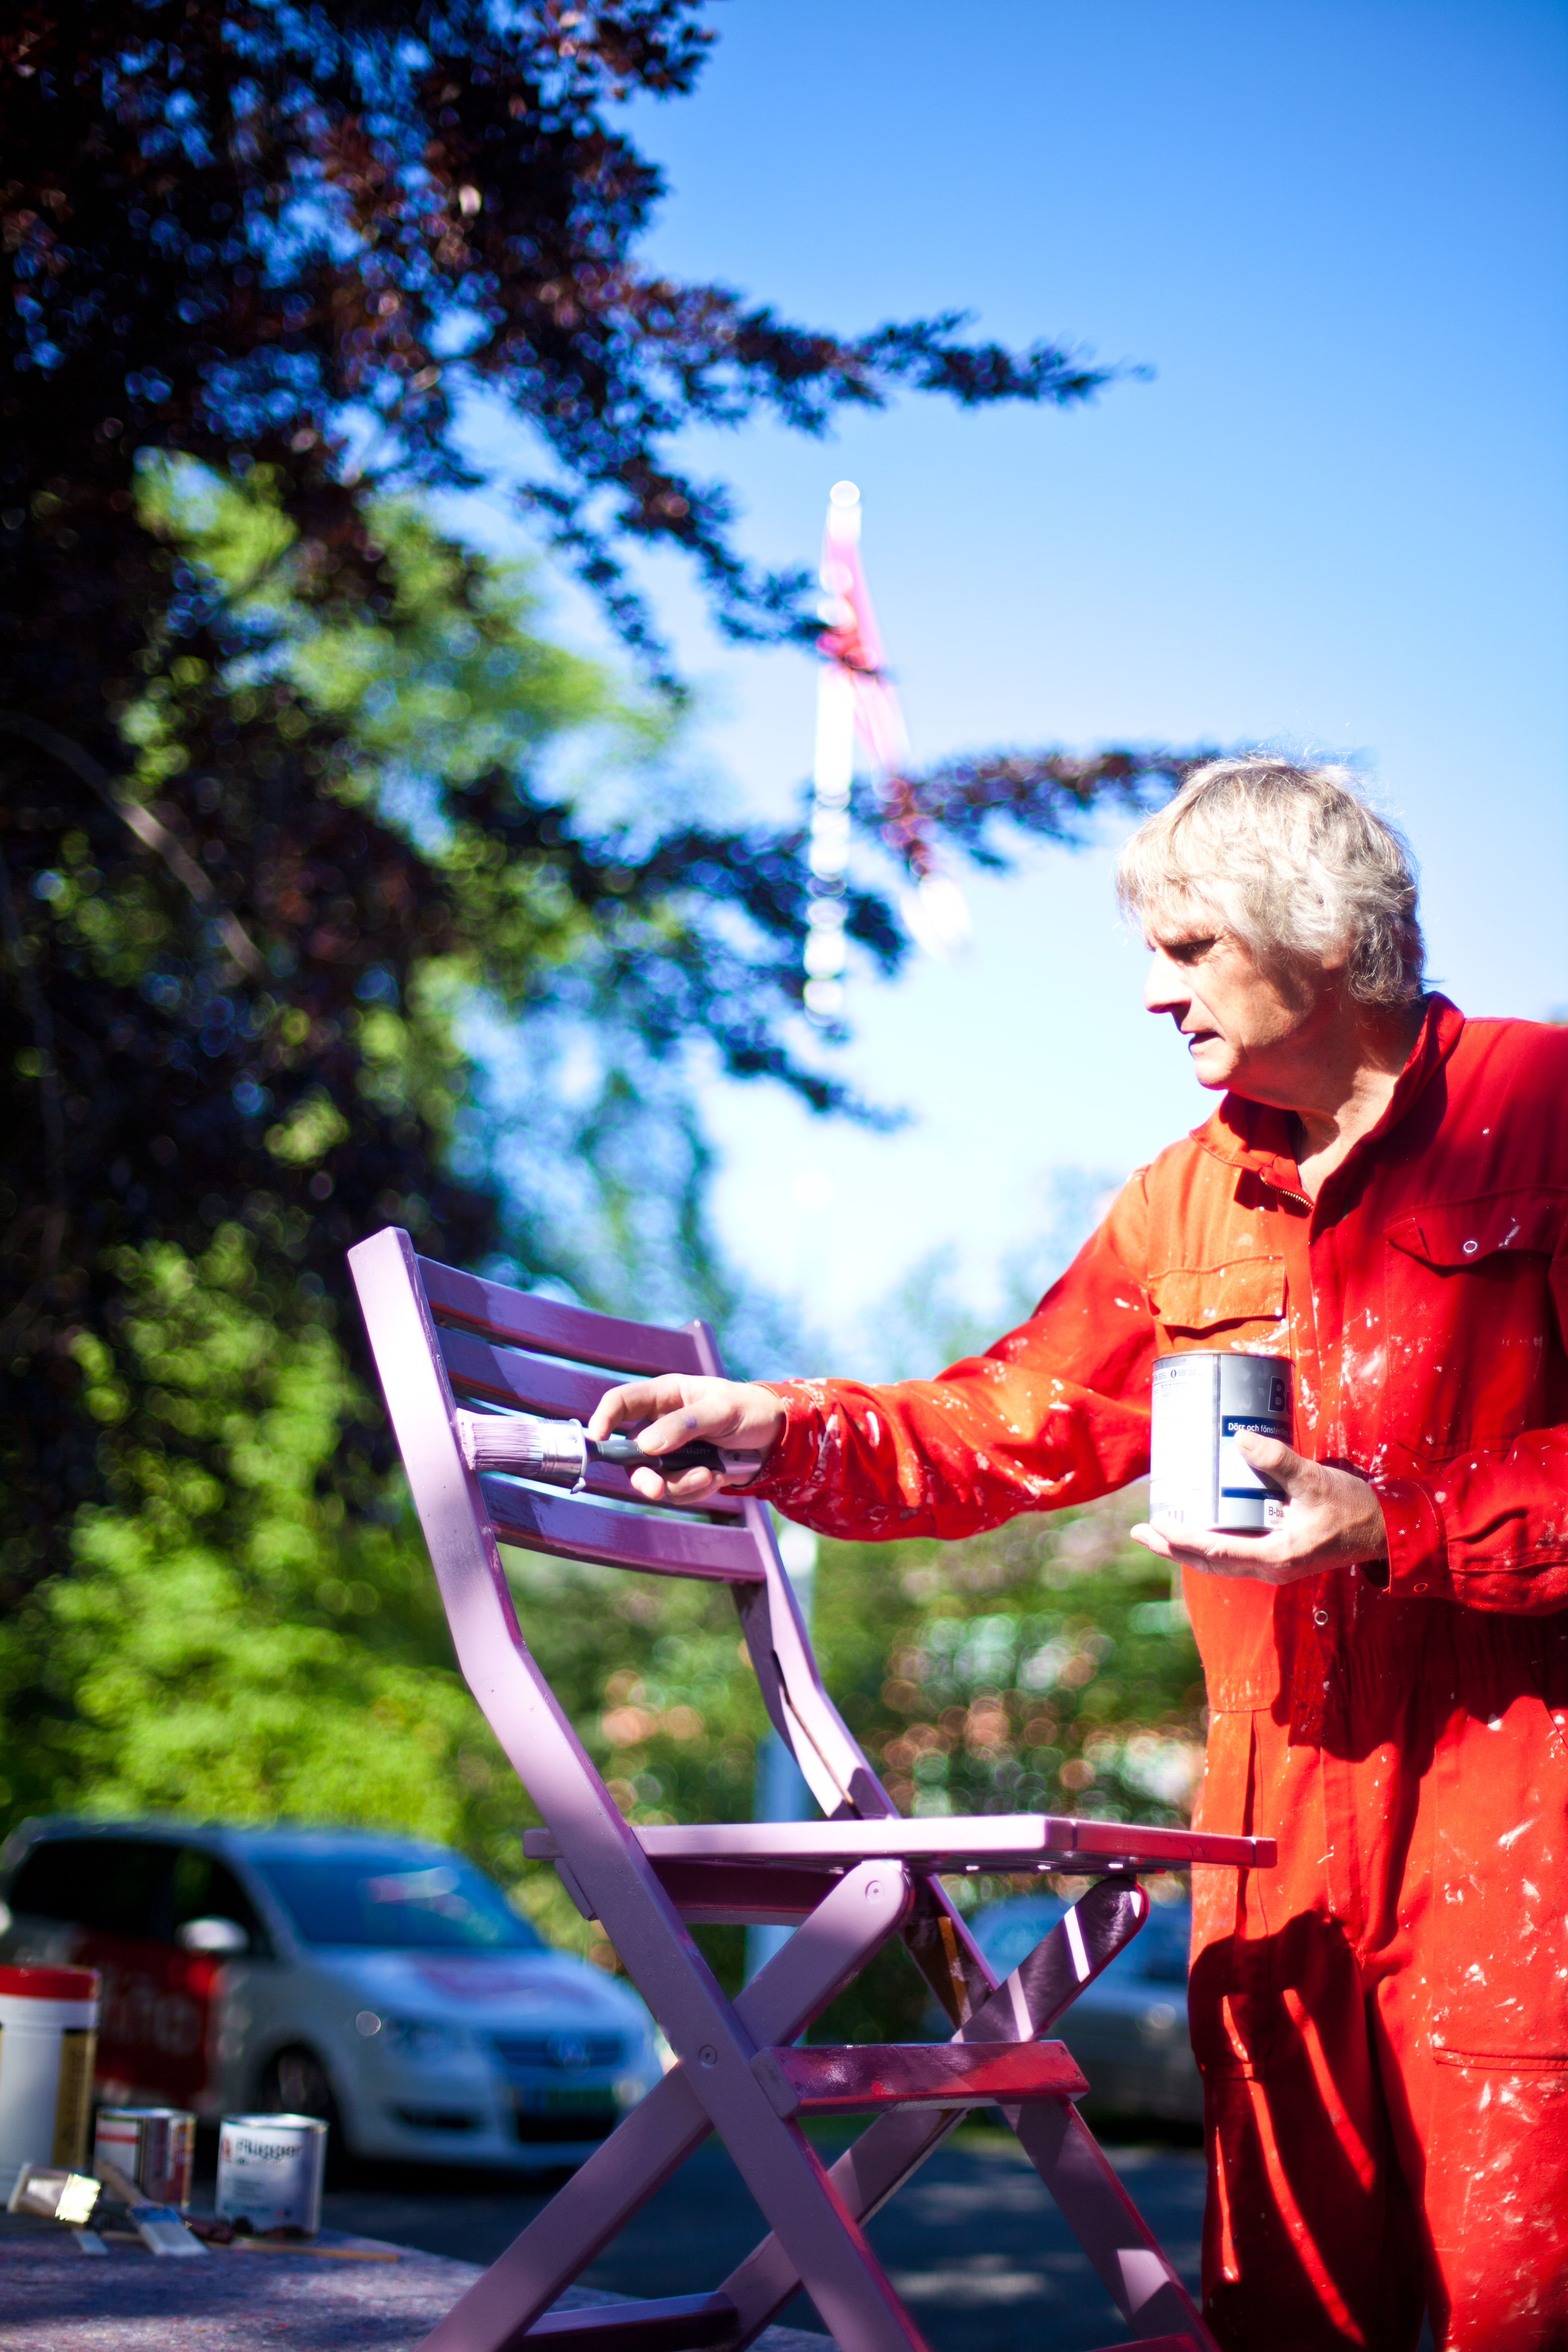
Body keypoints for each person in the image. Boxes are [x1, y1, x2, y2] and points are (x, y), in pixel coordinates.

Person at [591, 758, 1568, 2352]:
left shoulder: (1545, 1110)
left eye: (1185, 949)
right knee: (1288, 2320)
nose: (1147, 993)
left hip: (1526, 1832)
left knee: (1515, 2306)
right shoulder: (1184, 1203)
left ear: (1314, 937)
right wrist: (778, 1426)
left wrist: (1399, 1520)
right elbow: (1007, 1419)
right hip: (1276, 1847)